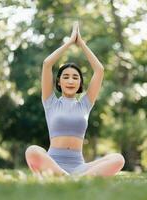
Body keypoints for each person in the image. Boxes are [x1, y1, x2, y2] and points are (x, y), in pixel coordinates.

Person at [25, 22, 125, 177]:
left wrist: (82, 43)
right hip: (53, 163)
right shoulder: (50, 101)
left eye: (75, 77)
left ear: (80, 83)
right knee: (32, 151)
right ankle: (68, 178)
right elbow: (47, 64)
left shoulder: (85, 104)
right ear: (59, 82)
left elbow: (99, 70)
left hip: (79, 167)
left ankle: (71, 179)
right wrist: (70, 42)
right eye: (65, 77)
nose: (70, 81)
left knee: (118, 159)